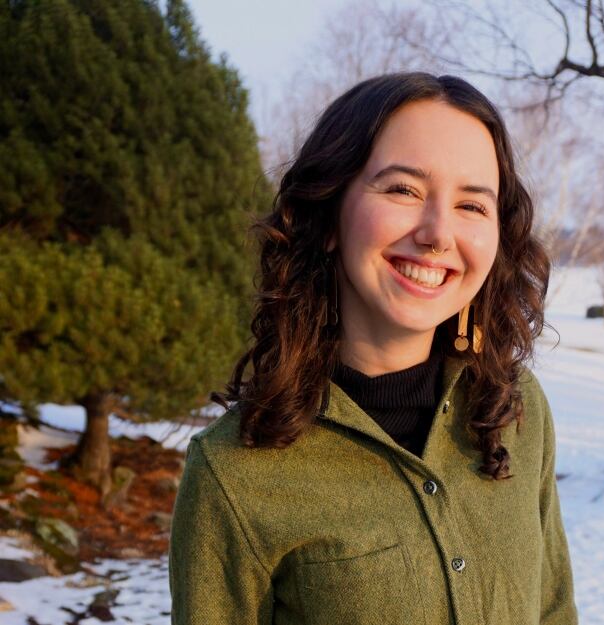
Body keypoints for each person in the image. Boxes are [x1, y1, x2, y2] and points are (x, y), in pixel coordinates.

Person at [168, 72, 578, 625]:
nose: (437, 233)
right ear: (329, 215)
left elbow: (554, 610)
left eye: (472, 205)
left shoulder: (517, 408)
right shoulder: (236, 470)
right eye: (404, 189)